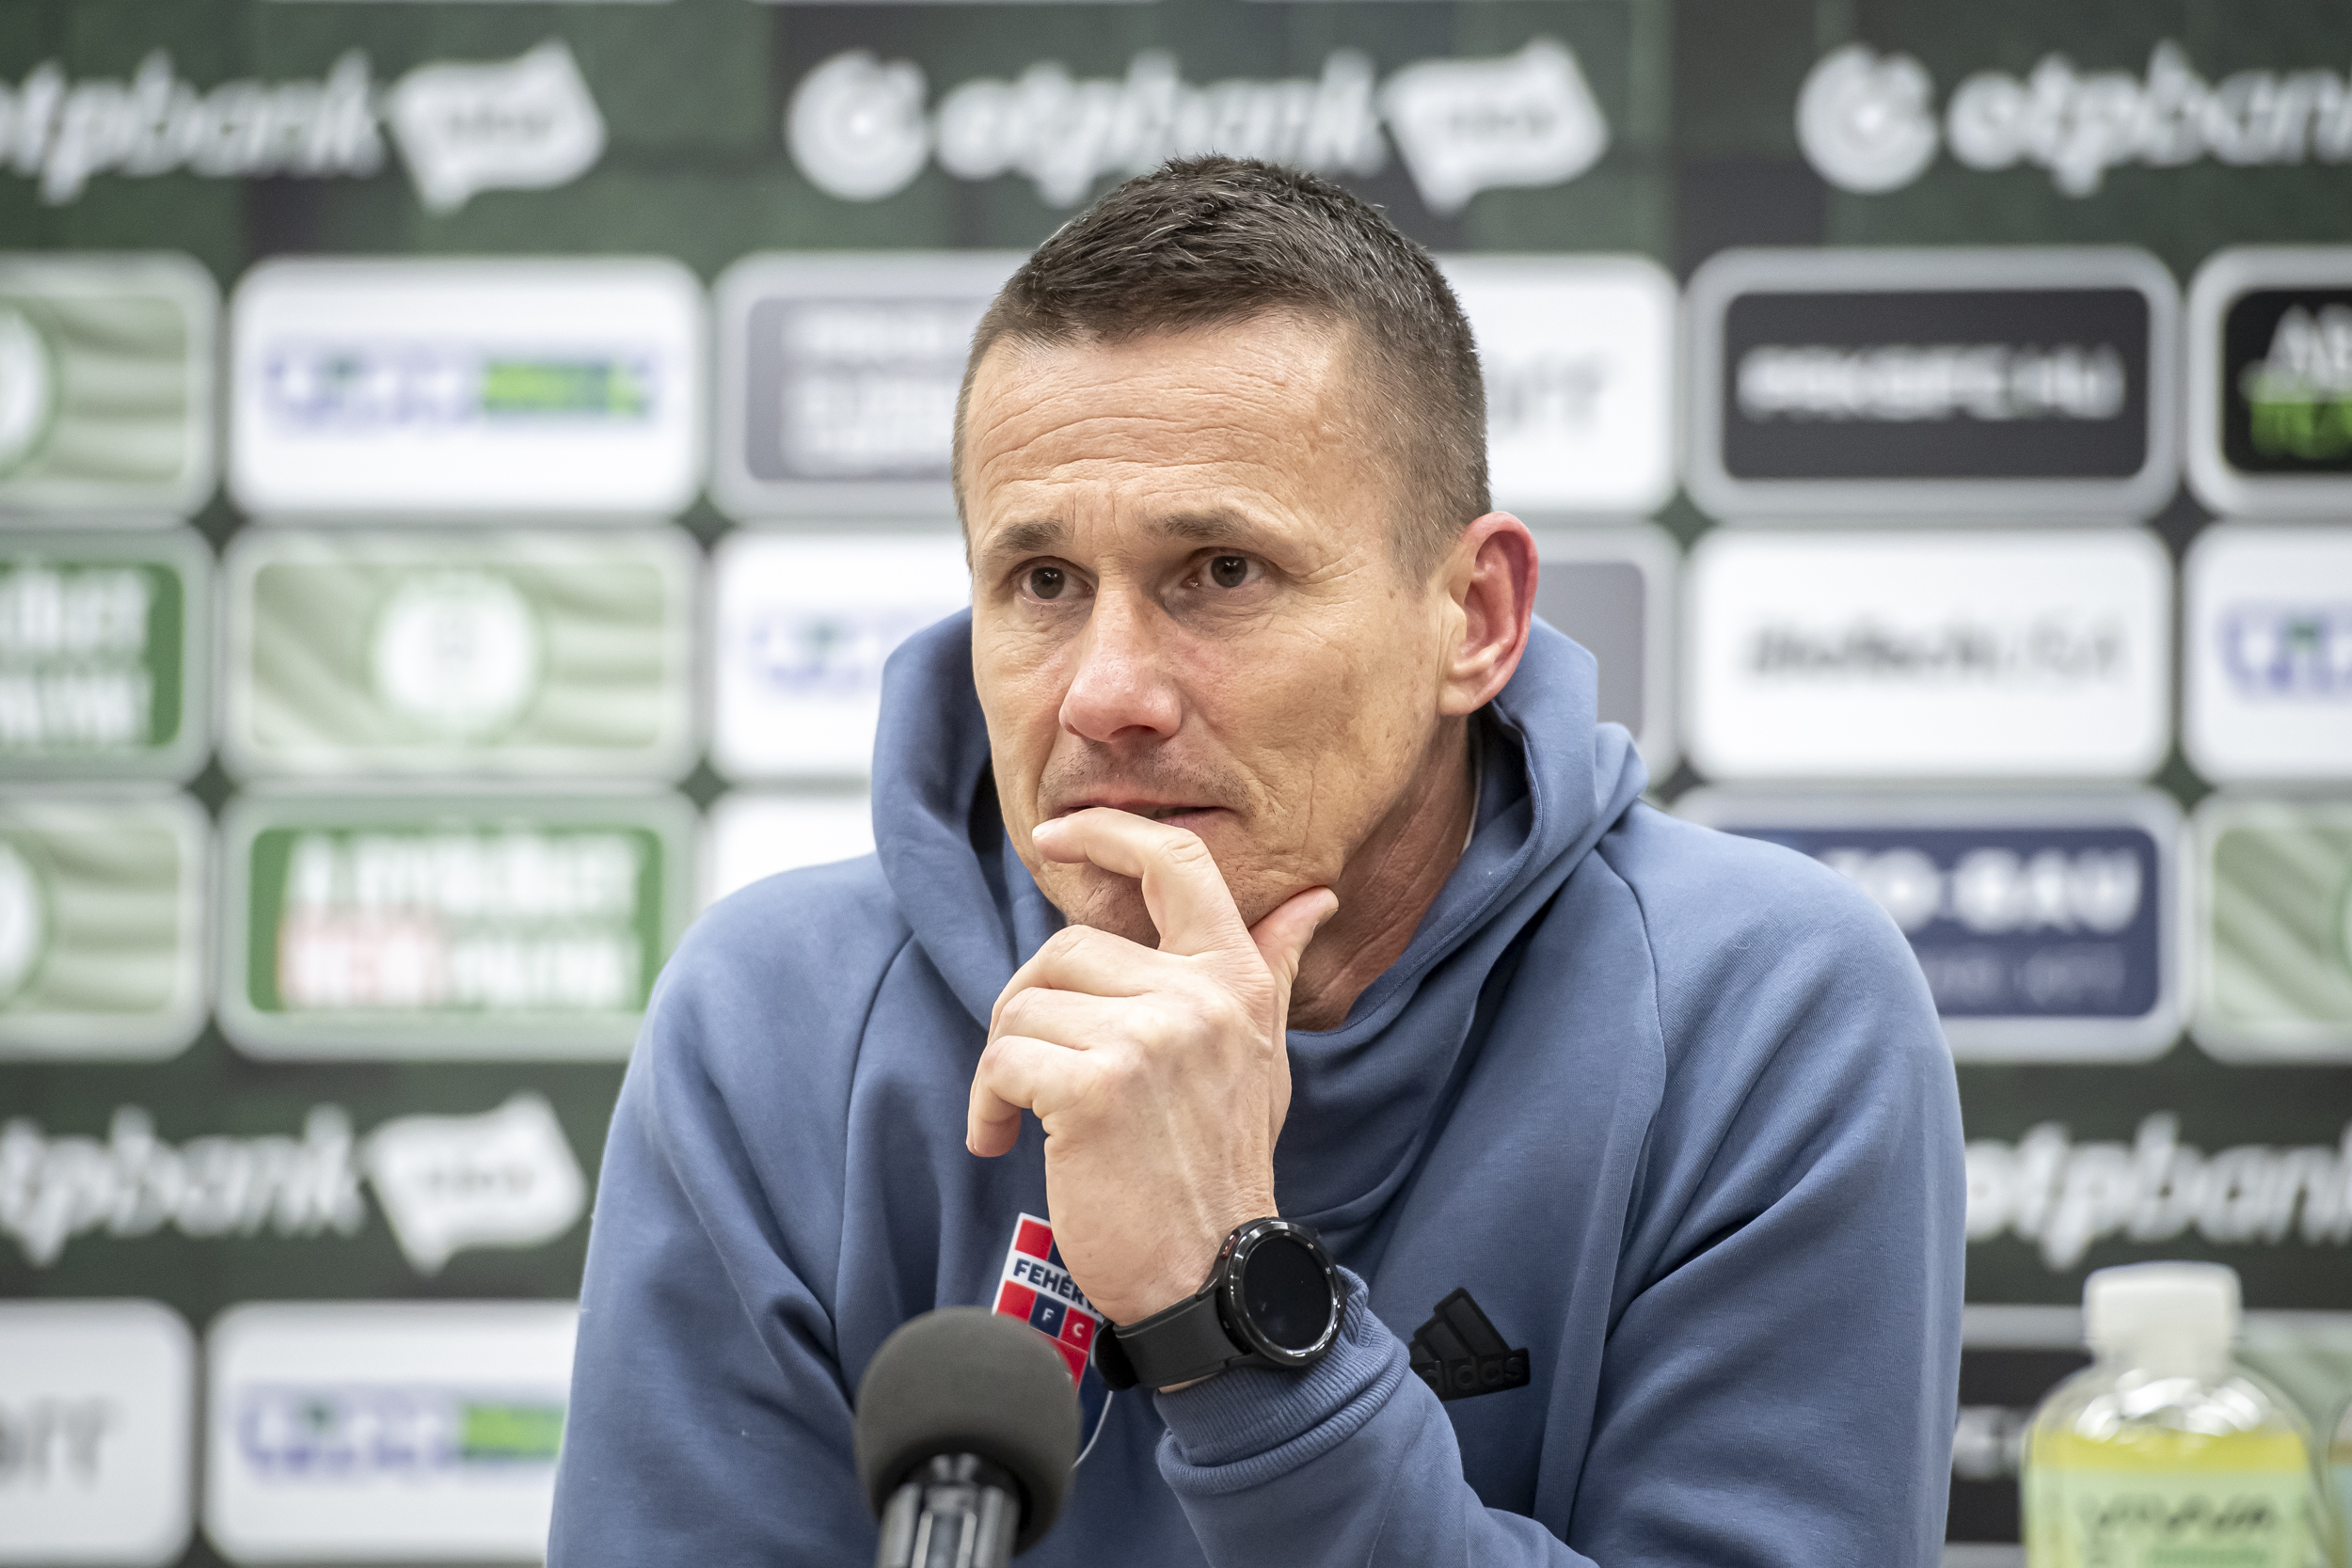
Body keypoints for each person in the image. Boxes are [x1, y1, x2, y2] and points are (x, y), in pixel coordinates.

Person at [549, 155, 1963, 1567]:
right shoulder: (773, 1024)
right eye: (1043, 582)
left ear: (1473, 618)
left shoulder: (1766, 1013)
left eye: (1222, 571)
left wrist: (1233, 1316)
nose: (1108, 692)